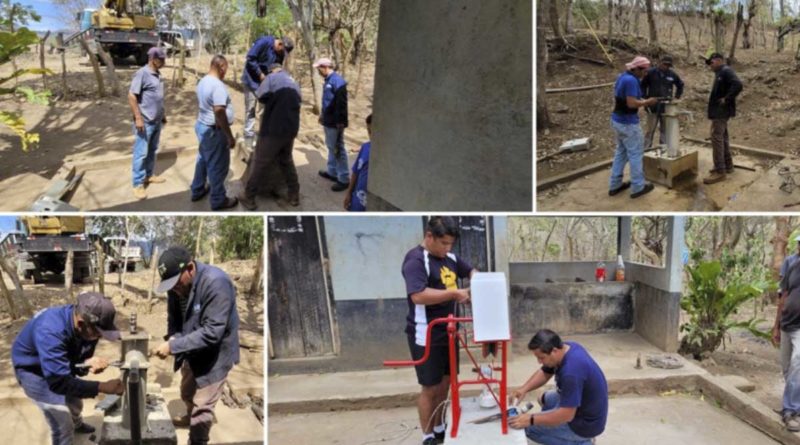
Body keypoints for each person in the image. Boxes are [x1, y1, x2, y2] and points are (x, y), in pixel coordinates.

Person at [151, 246, 240, 445]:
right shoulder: (176, 287)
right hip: (191, 348)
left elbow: (212, 333)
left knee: (202, 409)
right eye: (170, 285)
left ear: (190, 268)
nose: (174, 289)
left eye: (175, 283)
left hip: (216, 354)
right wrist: (173, 337)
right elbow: (173, 319)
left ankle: (197, 438)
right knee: (187, 393)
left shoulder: (216, 283)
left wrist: (173, 347)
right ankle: (191, 418)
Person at [11, 292, 124, 445]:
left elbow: (76, 362)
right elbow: (59, 382)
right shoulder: (50, 330)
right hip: (33, 370)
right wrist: (101, 387)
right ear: (81, 323)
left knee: (75, 402)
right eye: (99, 333)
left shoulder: (87, 328)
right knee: (63, 424)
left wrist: (86, 363)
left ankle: (77, 425)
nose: (100, 337)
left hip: (55, 363)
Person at [402, 216, 477, 445]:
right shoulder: (415, 260)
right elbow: (419, 295)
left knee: (446, 382)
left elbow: (471, 270)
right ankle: (427, 437)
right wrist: (455, 293)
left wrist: (476, 282)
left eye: (450, 244)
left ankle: (440, 426)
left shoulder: (451, 258)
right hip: (427, 333)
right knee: (430, 387)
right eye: (443, 243)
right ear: (429, 236)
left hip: (450, 331)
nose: (447, 248)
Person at [509, 329, 608, 444]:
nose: (539, 362)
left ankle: (583, 441)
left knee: (527, 429)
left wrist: (531, 419)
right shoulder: (568, 347)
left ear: (554, 351)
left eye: (541, 358)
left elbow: (566, 415)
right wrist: (523, 389)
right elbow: (545, 372)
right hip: (583, 403)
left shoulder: (571, 372)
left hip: (585, 424)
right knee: (543, 398)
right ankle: (555, 427)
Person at [239, 63, 302, 210]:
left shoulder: (271, 78)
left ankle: (249, 196)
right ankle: (294, 195)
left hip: (274, 129)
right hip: (291, 129)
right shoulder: (293, 81)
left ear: (271, 70)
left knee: (260, 161)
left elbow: (260, 96)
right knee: (286, 160)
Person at [190, 55, 238, 211]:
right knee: (217, 166)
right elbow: (219, 112)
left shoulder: (203, 81)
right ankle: (218, 200)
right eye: (226, 69)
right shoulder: (217, 86)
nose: (226, 72)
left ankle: (197, 190)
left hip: (202, 127)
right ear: (222, 67)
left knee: (203, 159)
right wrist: (229, 136)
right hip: (214, 131)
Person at [608, 55, 659, 199]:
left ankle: (615, 185)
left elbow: (624, 99)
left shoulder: (623, 77)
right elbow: (631, 103)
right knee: (636, 154)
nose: (645, 73)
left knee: (621, 153)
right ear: (636, 68)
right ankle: (638, 186)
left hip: (617, 120)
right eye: (644, 71)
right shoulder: (631, 81)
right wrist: (647, 102)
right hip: (628, 123)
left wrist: (641, 101)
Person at [128, 46, 167, 200]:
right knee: (141, 153)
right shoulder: (142, 73)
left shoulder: (157, 74)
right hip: (144, 121)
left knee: (152, 150)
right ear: (152, 59)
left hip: (156, 120)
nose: (164, 62)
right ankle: (137, 184)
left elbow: (158, 97)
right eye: (161, 59)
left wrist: (162, 114)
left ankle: (148, 175)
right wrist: (138, 117)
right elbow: (131, 96)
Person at [241, 36, 294, 149]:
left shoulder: (281, 53)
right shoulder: (263, 42)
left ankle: (262, 138)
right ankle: (249, 139)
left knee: (265, 111)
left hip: (265, 83)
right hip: (251, 81)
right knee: (250, 110)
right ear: (280, 44)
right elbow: (250, 58)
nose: (282, 54)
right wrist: (260, 74)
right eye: (282, 50)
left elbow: (277, 67)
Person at [703, 52, 743, 185]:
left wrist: (727, 98)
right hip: (720, 112)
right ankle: (728, 165)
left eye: (712, 62)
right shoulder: (720, 72)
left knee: (717, 138)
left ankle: (720, 171)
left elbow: (738, 85)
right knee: (723, 137)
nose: (710, 65)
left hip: (721, 112)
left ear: (719, 60)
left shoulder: (726, 71)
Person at [773, 236, 800, 432]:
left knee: (797, 364)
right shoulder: (790, 262)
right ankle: (792, 403)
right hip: (787, 323)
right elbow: (783, 296)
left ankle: (790, 410)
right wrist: (776, 325)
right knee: (787, 367)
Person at [313, 58, 350, 192]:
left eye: (319, 69)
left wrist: (340, 122)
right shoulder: (328, 81)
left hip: (336, 123)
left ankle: (344, 179)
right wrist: (323, 115)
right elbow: (328, 101)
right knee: (331, 146)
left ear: (325, 67)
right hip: (328, 120)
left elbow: (342, 104)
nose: (318, 71)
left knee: (338, 148)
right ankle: (332, 171)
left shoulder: (337, 81)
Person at [641, 55, 685, 149]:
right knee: (650, 129)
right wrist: (645, 99)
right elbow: (642, 85)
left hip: (666, 106)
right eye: (665, 64)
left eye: (669, 65)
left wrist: (676, 97)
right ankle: (646, 150)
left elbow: (680, 85)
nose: (667, 67)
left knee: (665, 129)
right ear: (660, 62)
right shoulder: (651, 72)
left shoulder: (672, 74)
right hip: (652, 105)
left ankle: (664, 149)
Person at [344, 114, 372, 211]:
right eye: (369, 131)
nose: (371, 134)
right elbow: (355, 172)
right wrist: (349, 193)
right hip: (357, 199)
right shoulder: (365, 147)